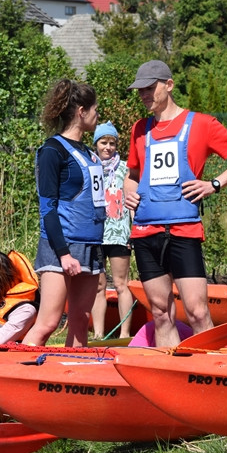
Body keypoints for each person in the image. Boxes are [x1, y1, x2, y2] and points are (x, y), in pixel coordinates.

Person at [123, 60, 227, 347]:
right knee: (160, 312)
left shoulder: (202, 124)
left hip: (184, 230)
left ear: (168, 85)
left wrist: (214, 184)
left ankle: (210, 372)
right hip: (146, 230)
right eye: (140, 91)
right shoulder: (139, 129)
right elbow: (132, 175)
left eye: (149, 88)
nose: (143, 95)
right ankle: (168, 379)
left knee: (196, 311)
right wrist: (127, 192)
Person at [22, 79, 105, 348]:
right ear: (81, 111)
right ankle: (20, 376)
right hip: (61, 245)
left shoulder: (90, 153)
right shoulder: (52, 151)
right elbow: (47, 209)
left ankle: (73, 376)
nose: (98, 114)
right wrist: (63, 253)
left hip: (90, 246)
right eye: (95, 109)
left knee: (81, 320)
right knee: (48, 323)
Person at [89, 120, 135, 339]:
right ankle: (98, 333)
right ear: (96, 144)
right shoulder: (89, 166)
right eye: (103, 142)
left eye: (111, 143)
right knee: (98, 285)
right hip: (96, 233)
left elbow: (133, 199)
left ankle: (124, 333)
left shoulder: (125, 168)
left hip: (118, 234)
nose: (107, 147)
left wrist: (134, 230)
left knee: (120, 283)